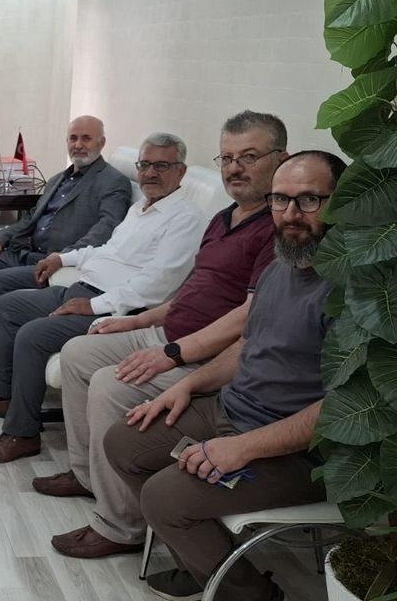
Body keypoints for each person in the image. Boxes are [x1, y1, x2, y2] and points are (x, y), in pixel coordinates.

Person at [36, 111, 287, 560]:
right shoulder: (222, 219)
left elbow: (250, 317)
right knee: (77, 352)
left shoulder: (275, 231)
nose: (235, 168)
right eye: (228, 158)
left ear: (280, 159)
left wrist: (172, 353)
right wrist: (134, 321)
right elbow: (189, 294)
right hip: (168, 332)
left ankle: (120, 524)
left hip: (203, 354)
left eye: (249, 157)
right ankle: (87, 476)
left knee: (110, 384)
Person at [104, 151, 345, 601]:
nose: (291, 214)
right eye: (280, 199)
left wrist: (241, 448)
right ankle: (201, 565)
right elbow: (248, 346)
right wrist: (187, 385)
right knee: (124, 441)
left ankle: (249, 595)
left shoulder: (350, 292)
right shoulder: (279, 269)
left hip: (296, 452)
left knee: (165, 498)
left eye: (310, 200)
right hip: (232, 410)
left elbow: (343, 408)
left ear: (343, 203)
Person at [0, 133, 207, 464]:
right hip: (83, 287)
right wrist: (63, 258)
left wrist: (93, 305)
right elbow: (106, 250)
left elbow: (157, 285)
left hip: (117, 311)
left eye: (161, 166)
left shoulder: (185, 219)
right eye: (145, 165)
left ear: (181, 171)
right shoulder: (141, 208)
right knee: (9, 305)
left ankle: (22, 434)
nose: (150, 173)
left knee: (32, 335)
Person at [0, 115, 131, 374]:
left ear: (101, 142)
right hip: (28, 253)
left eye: (86, 138)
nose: (78, 144)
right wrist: (0, 238)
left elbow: (105, 230)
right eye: (73, 138)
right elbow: (32, 218)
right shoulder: (58, 179)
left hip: (58, 264)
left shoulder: (113, 182)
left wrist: (64, 258)